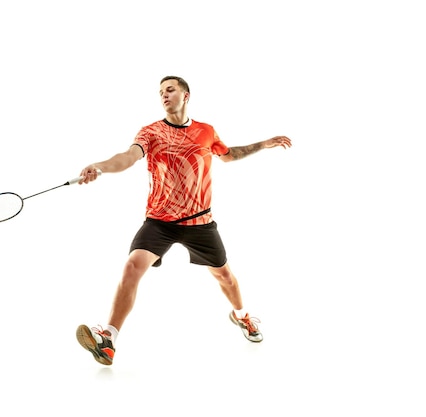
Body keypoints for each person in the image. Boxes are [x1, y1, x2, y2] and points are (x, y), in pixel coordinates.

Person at [75, 75, 292, 366]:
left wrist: (262, 144)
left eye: (170, 90)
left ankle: (242, 317)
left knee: (224, 276)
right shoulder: (151, 132)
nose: (164, 95)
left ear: (186, 95)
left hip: (199, 223)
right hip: (159, 222)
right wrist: (100, 167)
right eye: (161, 92)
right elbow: (127, 157)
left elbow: (228, 155)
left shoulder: (206, 131)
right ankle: (109, 340)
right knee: (132, 266)